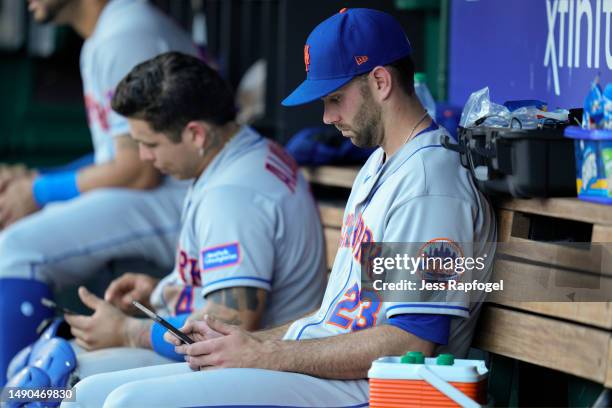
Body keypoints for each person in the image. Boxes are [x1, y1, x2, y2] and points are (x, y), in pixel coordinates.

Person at [66, 8, 496, 407]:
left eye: (335, 98)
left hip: (371, 390)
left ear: (381, 82)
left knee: (127, 404)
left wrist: (267, 352)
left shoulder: (429, 183)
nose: (327, 118)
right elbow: (338, 317)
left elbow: (412, 343)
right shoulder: (382, 164)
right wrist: (239, 343)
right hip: (329, 378)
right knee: (85, 395)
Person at [55, 51, 326, 380]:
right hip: (245, 359)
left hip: (256, 373)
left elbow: (229, 329)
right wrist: (161, 292)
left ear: (196, 134)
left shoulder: (231, 196)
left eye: (150, 144)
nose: (143, 156)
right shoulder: (242, 152)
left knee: (57, 381)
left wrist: (128, 331)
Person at [0, 0, 200, 384]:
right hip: (160, 193)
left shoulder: (125, 32)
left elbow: (141, 168)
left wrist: (40, 190)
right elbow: (115, 155)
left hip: (187, 201)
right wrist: (37, 181)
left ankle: (17, 395)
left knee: (17, 249)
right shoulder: (106, 33)